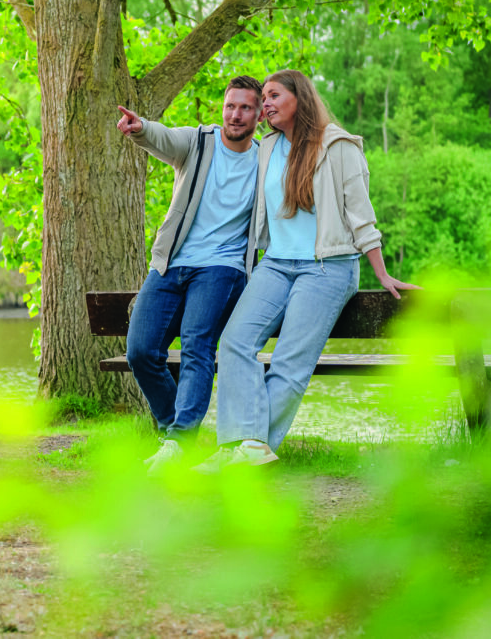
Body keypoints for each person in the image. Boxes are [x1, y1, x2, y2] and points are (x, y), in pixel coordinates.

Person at [194, 69, 419, 473]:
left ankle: (247, 448)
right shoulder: (268, 146)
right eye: (263, 98)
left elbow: (361, 218)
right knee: (234, 343)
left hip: (327, 268)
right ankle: (242, 447)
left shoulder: (339, 146)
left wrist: (381, 273)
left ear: (300, 98)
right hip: (277, 264)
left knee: (289, 363)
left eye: (274, 95)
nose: (266, 103)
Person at [116, 75, 264, 474]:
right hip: (172, 262)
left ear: (258, 114)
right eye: (231, 106)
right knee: (141, 351)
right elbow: (164, 138)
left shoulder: (267, 159)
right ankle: (174, 435)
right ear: (223, 108)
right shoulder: (199, 142)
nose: (236, 114)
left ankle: (179, 442)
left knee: (198, 345)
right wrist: (140, 128)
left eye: (245, 108)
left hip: (224, 267)